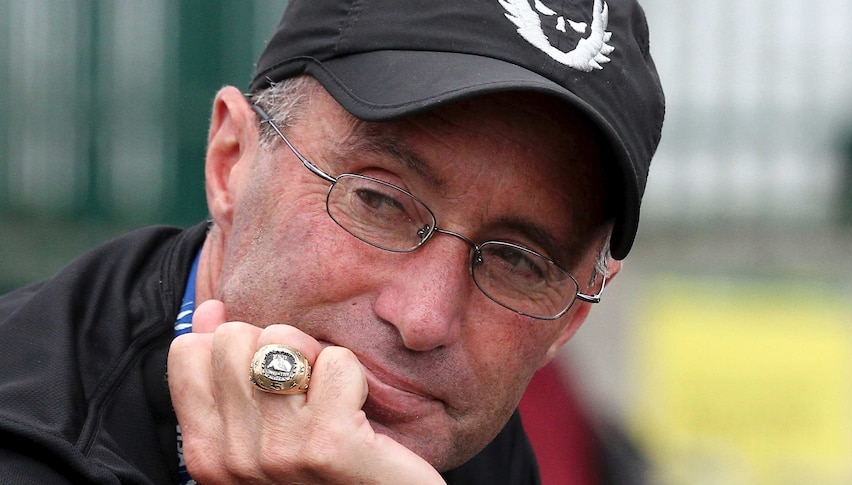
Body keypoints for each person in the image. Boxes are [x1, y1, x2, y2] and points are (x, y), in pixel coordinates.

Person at [0, 0, 664, 483]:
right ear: (230, 161)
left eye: (519, 261)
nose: (424, 319)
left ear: (568, 322)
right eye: (378, 200)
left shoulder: (464, 439)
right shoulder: (30, 431)